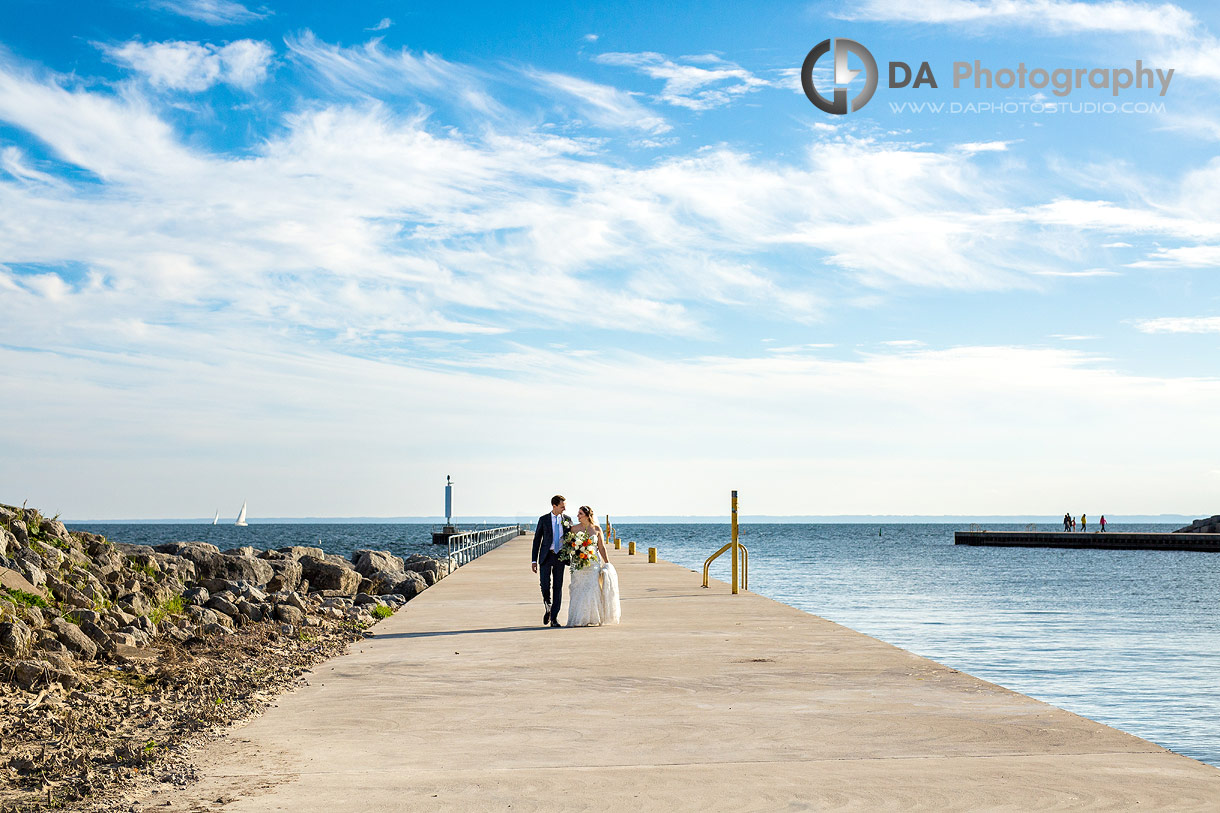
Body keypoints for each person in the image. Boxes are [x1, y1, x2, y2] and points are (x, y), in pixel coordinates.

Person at [566, 505, 620, 627]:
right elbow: (569, 546)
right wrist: (576, 552)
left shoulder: (597, 529)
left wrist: (607, 562)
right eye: (578, 513)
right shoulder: (573, 529)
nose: (578, 516)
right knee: (578, 589)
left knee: (593, 589)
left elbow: (601, 547)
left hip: (593, 564)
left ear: (587, 516)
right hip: (579, 565)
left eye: (580, 514)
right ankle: (578, 618)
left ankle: (593, 617)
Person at [531, 495, 571, 628]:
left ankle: (554, 618)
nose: (564, 508)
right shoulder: (543, 519)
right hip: (546, 556)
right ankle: (547, 604)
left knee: (558, 587)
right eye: (562, 506)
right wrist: (533, 560)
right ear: (554, 506)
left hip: (560, 556)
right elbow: (537, 540)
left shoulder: (567, 520)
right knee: (544, 584)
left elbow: (571, 538)